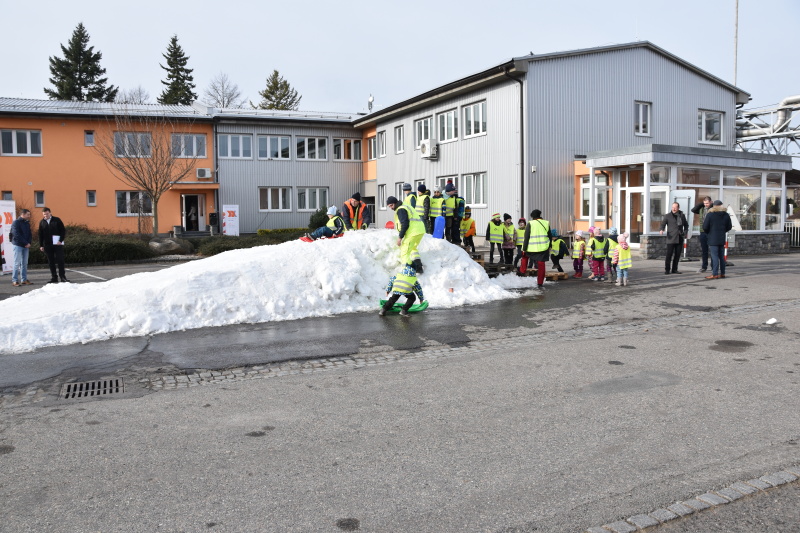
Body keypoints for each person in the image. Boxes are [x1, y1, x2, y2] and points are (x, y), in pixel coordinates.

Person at [388, 195, 426, 273]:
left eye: (391, 205)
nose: (391, 208)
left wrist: (400, 237)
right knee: (413, 248)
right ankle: (419, 267)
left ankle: (407, 271)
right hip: (420, 230)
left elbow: (405, 223)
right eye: (389, 206)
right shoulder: (406, 205)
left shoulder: (401, 209)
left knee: (404, 251)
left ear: (395, 203)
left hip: (413, 232)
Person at [702, 200, 732, 280]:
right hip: (721, 237)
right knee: (721, 256)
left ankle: (715, 274)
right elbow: (729, 227)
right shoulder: (726, 215)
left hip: (712, 238)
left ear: (714, 206)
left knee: (714, 256)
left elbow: (705, 227)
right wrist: (722, 231)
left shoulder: (710, 215)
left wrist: (709, 232)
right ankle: (722, 273)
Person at [522, 209, 551, 288]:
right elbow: (550, 236)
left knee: (524, 257)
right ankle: (540, 283)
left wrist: (524, 248)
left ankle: (522, 271)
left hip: (531, 247)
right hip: (543, 247)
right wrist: (550, 246)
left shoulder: (530, 223)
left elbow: (526, 237)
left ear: (532, 216)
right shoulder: (546, 223)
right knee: (541, 265)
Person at [38, 207, 68, 283]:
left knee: (60, 260)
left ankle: (62, 277)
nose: (46, 215)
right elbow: (40, 234)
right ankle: (54, 277)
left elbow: (63, 230)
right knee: (51, 261)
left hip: (57, 244)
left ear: (50, 213)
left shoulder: (57, 220)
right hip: (47, 245)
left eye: (47, 214)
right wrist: (41, 245)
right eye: (44, 214)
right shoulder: (42, 222)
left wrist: (60, 240)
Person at [660, 202, 689, 275]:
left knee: (677, 254)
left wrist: (685, 232)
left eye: (675, 207)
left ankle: (674, 269)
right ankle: (667, 269)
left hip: (679, 237)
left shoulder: (682, 215)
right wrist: (661, 229)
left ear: (678, 208)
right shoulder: (668, 216)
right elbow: (663, 224)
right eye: (673, 207)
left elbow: (686, 225)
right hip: (671, 237)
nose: (674, 209)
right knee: (669, 254)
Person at [10, 208, 34, 287]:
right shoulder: (16, 222)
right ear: (23, 214)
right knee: (17, 263)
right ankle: (15, 280)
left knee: (24, 263)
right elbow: (16, 234)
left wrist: (29, 243)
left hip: (26, 245)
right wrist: (26, 242)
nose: (29, 216)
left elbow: (29, 234)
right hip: (18, 245)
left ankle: (24, 279)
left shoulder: (27, 223)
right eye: (28, 214)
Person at [691, 196, 713, 273]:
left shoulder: (714, 209)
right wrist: (702, 204)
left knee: (713, 250)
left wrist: (711, 205)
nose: (706, 205)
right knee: (704, 250)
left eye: (707, 203)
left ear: (711, 202)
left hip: (711, 232)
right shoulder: (701, 209)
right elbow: (693, 210)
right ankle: (704, 266)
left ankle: (713, 266)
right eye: (705, 203)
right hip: (703, 231)